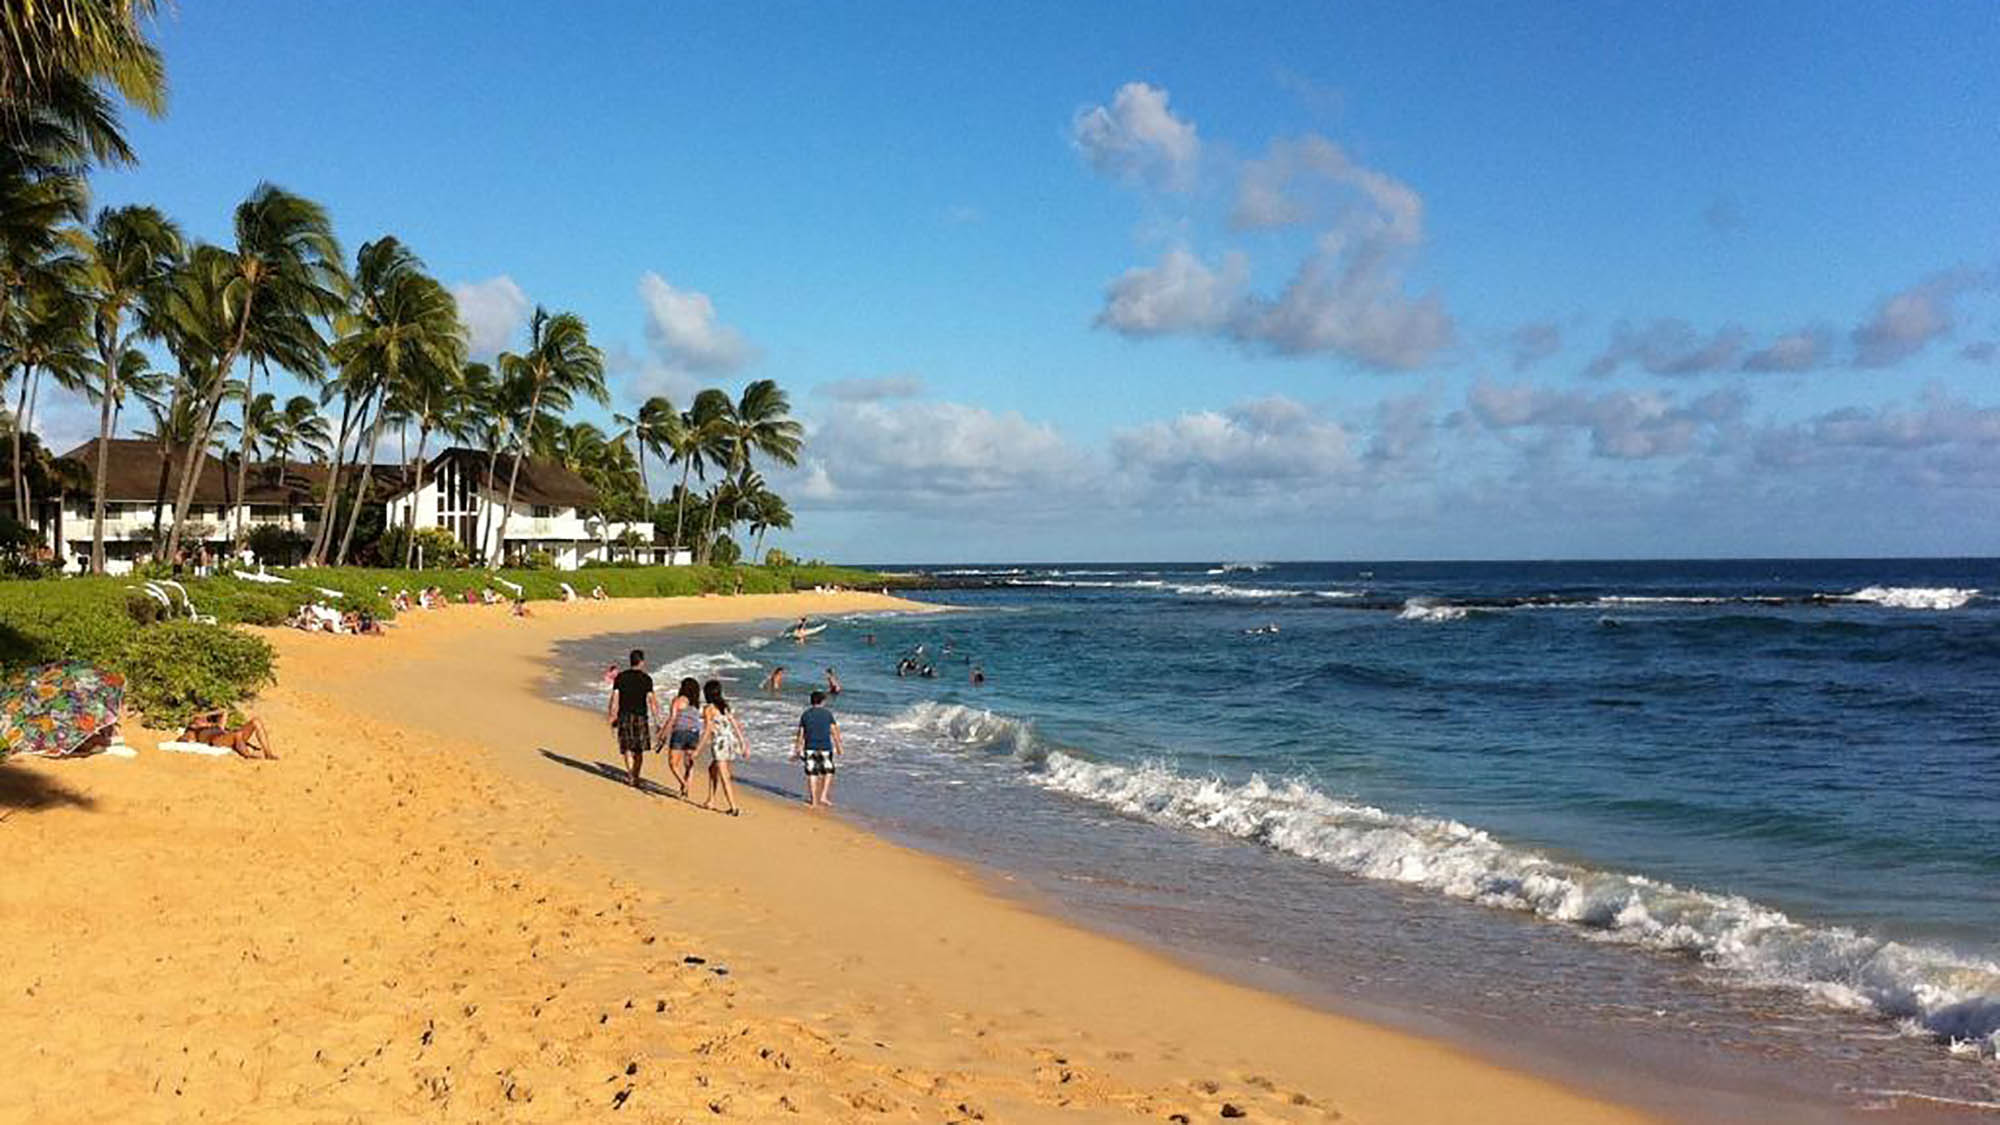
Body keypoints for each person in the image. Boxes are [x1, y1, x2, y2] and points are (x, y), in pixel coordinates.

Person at [605, 648, 661, 790]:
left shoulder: (621, 678)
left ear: (630, 661)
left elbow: (615, 698)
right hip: (641, 716)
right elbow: (652, 702)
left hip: (624, 715)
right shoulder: (646, 679)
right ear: (641, 662)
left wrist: (612, 716)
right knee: (639, 750)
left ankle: (631, 775)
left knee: (627, 748)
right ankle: (635, 776)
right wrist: (657, 721)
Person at [694, 678, 749, 815]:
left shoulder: (708, 709)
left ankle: (733, 807)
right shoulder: (724, 706)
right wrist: (743, 743)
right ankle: (711, 800)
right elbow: (735, 724)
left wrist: (697, 750)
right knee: (713, 769)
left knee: (724, 776)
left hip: (719, 743)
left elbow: (707, 731)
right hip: (730, 742)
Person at [791, 690, 842, 808]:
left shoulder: (806, 714)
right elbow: (834, 731)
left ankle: (814, 800)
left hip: (810, 747)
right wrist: (839, 746)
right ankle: (823, 796)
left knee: (812, 774)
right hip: (825, 747)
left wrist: (797, 749)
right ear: (823, 701)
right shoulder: (827, 714)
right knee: (828, 772)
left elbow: (801, 733)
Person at [659, 677, 704, 796]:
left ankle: (683, 784)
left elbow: (672, 719)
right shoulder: (696, 704)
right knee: (689, 764)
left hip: (680, 733)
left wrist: (663, 734)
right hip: (694, 733)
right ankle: (686, 788)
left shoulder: (678, 700)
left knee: (673, 764)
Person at [179, 707, 276, 760]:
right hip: (217, 740)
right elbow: (182, 740)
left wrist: (206, 715)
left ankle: (268, 753)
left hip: (228, 737)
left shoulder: (218, 725)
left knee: (256, 721)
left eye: (203, 717)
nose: (202, 719)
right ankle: (247, 755)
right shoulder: (194, 730)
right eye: (199, 719)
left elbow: (224, 711)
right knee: (237, 734)